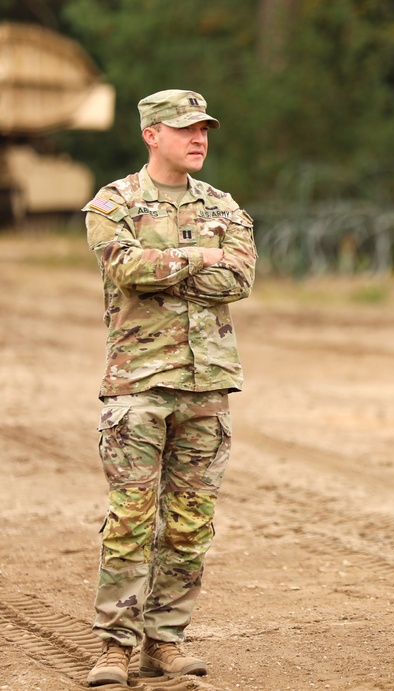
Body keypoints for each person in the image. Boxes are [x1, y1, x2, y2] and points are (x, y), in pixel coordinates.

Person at [83, 90, 256, 686]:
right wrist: (200, 256)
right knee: (132, 517)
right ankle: (113, 647)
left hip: (207, 385)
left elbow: (239, 278)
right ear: (151, 134)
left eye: (204, 128)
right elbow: (124, 268)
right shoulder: (114, 202)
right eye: (185, 129)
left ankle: (165, 640)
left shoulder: (224, 205)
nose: (199, 139)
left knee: (189, 522)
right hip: (138, 383)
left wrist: (168, 265)